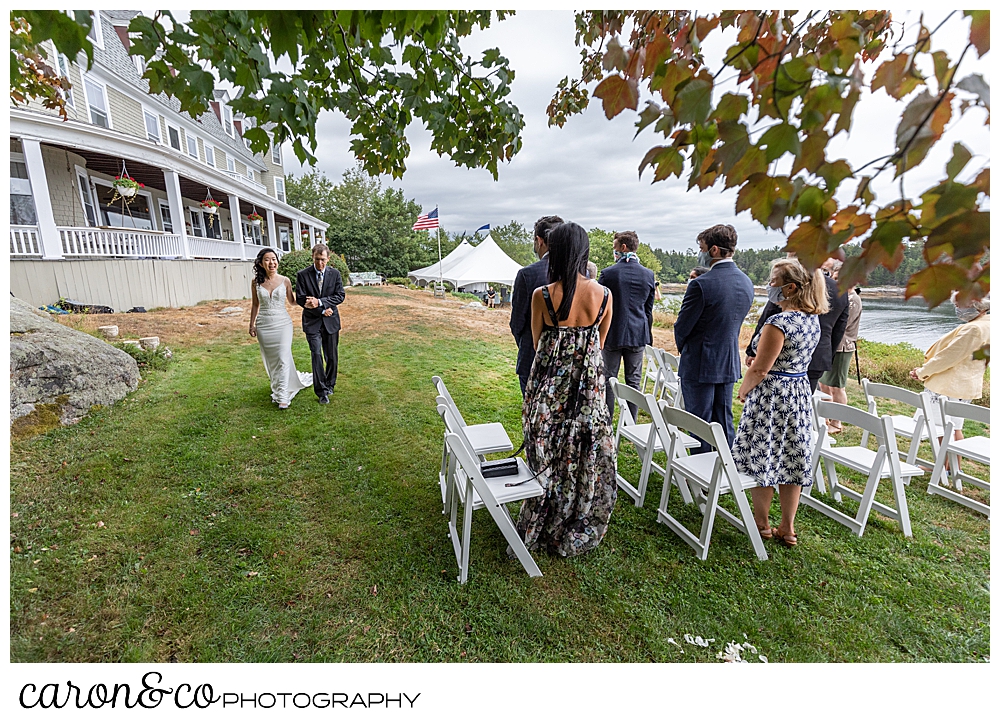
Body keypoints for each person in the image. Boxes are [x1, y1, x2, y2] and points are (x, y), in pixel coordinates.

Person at [517, 222, 617, 557]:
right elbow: (598, 344)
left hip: (550, 387)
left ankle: (544, 514)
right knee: (582, 450)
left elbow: (536, 342)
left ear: (554, 252)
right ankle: (575, 513)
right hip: (587, 389)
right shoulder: (604, 295)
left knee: (547, 449)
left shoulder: (542, 295)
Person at [733, 258, 829, 548]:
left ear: (790, 288)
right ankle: (788, 527)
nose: (768, 285)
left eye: (773, 281)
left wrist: (745, 388)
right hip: (799, 392)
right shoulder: (813, 320)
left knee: (765, 455)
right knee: (791, 456)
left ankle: (762, 523)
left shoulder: (779, 322)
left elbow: (761, 367)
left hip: (772, 394)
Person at [674, 224, 754, 452]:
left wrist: (684, 347)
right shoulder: (746, 282)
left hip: (700, 361)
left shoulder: (701, 283)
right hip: (728, 358)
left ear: (714, 250)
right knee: (723, 419)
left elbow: (683, 325)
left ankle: (702, 473)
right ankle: (725, 465)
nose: (700, 252)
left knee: (699, 422)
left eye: (702, 247)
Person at [747, 255, 849, 393]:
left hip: (780, 358)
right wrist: (828, 356)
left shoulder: (788, 285)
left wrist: (752, 350)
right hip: (818, 356)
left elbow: (768, 316)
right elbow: (839, 330)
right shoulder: (840, 290)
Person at [909, 294, 990, 451]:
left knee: (941, 428)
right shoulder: (988, 324)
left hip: (949, 385)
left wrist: (921, 372)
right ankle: (952, 468)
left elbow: (947, 357)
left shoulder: (973, 328)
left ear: (977, 306)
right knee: (954, 427)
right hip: (966, 384)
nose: (957, 308)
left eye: (960, 304)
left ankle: (943, 467)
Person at [598, 230, 656, 418]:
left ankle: (606, 418)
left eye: (614, 247)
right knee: (634, 381)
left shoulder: (608, 273)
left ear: (623, 247)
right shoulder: (648, 275)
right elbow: (648, 310)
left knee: (608, 379)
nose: (613, 251)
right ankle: (631, 420)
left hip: (612, 333)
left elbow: (600, 305)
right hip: (638, 333)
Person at [248, 249, 313, 409]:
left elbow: (292, 301)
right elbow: (255, 304)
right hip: (264, 325)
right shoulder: (255, 282)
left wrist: (308, 301)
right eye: (267, 260)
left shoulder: (285, 281)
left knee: (283, 357)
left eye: (274, 259)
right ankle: (278, 386)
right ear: (261, 263)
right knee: (273, 361)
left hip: (283, 324)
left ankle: (283, 396)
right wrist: (252, 324)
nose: (272, 262)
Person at [510, 215, 564, 395]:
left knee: (532, 414)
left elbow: (517, 321)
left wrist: (527, 343)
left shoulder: (527, 274)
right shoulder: (582, 274)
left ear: (539, 241)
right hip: (567, 360)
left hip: (533, 355)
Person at [296, 244, 345, 404]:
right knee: (316, 354)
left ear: (328, 259)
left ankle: (330, 384)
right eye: (317, 259)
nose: (320, 263)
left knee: (331, 356)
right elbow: (301, 299)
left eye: (323, 260)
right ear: (313, 257)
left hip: (331, 322)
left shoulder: (335, 274)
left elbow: (340, 296)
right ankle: (321, 391)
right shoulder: (303, 275)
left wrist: (321, 302)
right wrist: (322, 310)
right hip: (312, 322)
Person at [818, 260, 862, 433]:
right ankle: (825, 418)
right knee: (824, 384)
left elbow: (841, 324)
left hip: (843, 347)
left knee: (837, 386)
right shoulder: (839, 296)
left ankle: (837, 422)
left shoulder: (853, 299)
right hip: (831, 345)